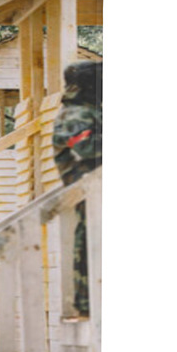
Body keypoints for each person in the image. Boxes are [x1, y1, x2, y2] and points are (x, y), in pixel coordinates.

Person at [51, 60, 103, 318]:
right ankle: (87, 303)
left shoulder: (88, 110)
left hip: (96, 185)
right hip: (87, 185)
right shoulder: (75, 113)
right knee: (91, 241)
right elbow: (87, 148)